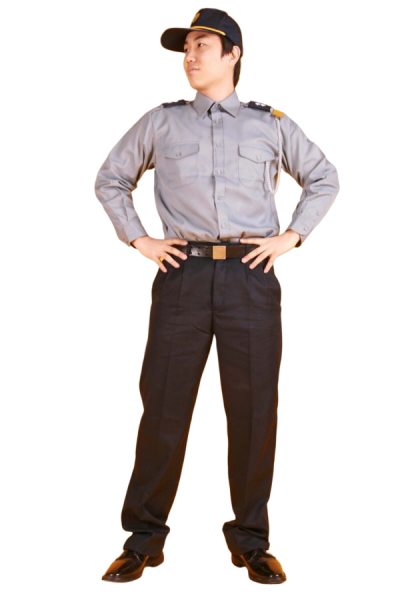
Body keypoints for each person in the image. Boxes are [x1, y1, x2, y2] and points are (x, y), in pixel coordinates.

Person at [94, 7, 339, 586]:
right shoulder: (160, 121)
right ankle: (143, 540)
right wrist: (139, 239)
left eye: (202, 45)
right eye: (185, 49)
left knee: (254, 413)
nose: (190, 56)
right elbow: (111, 178)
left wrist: (290, 236)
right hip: (181, 274)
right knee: (163, 408)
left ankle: (252, 541)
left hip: (252, 278)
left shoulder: (270, 123)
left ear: (233, 54)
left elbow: (323, 177)